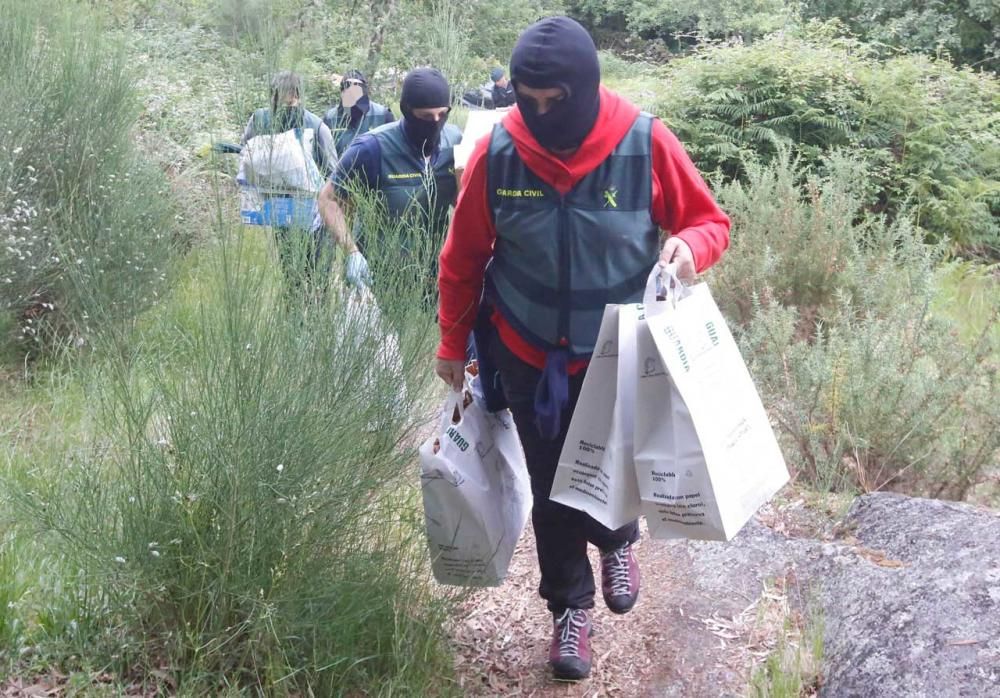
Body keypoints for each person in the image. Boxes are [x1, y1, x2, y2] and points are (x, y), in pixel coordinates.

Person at [435, 17, 731, 682]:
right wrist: (452, 343)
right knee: (552, 486)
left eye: (555, 100)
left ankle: (618, 539)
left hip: (618, 355)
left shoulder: (645, 142)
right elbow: (462, 261)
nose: (539, 113)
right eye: (527, 98)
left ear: (587, 89)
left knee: (614, 465)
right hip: (528, 350)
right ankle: (570, 607)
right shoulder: (498, 152)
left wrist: (690, 250)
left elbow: (709, 220)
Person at [316, 67, 461, 301]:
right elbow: (328, 199)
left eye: (442, 115)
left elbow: (462, 197)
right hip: (381, 276)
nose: (435, 123)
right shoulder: (372, 148)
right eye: (425, 117)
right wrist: (351, 252)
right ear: (406, 110)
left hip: (436, 274)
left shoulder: (455, 142)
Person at [241, 71, 338, 297]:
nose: (288, 102)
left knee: (298, 273)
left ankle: (303, 314)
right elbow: (333, 171)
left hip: (287, 212)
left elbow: (245, 153)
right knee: (309, 274)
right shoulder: (315, 124)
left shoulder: (260, 120)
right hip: (302, 213)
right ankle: (307, 316)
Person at [322, 70, 394, 156]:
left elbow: (393, 150)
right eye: (348, 88)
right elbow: (324, 154)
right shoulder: (330, 118)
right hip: (341, 168)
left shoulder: (383, 115)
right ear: (342, 92)